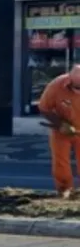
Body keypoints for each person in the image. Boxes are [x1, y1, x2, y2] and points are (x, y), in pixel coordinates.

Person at [38, 64, 80, 198]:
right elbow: (44, 108)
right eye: (76, 87)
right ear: (70, 79)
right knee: (61, 162)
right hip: (62, 130)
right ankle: (64, 190)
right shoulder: (56, 86)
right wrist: (61, 124)